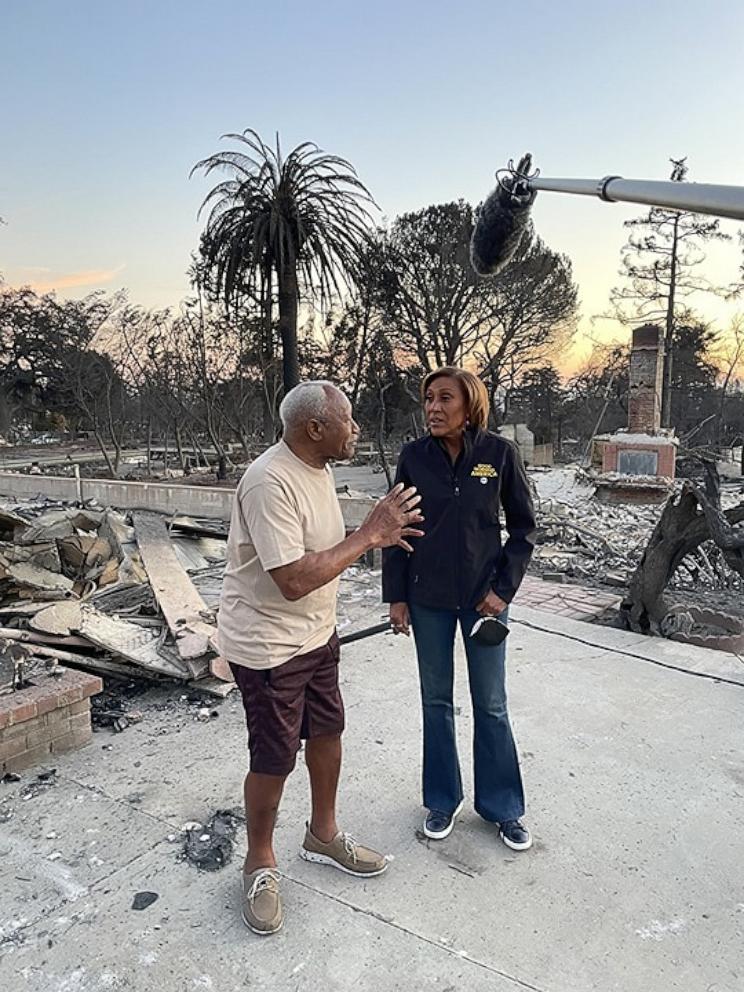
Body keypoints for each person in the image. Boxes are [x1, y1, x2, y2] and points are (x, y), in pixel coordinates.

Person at [218, 380, 423, 936]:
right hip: (268, 646)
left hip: (315, 636)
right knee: (274, 755)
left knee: (329, 730)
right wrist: (368, 536)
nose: (355, 428)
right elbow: (291, 579)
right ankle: (259, 861)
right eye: (348, 419)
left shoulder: (319, 468)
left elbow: (323, 558)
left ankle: (323, 834)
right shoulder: (268, 481)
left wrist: (375, 538)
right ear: (315, 429)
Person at [382, 367, 536, 851]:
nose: (433, 407)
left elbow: (525, 529)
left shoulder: (498, 455)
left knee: (491, 704)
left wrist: (503, 591)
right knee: (436, 702)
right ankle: (442, 800)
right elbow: (395, 528)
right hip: (428, 600)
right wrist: (398, 595)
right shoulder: (414, 458)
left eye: (444, 398)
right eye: (428, 398)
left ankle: (502, 807)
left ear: (469, 405)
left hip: (483, 601)